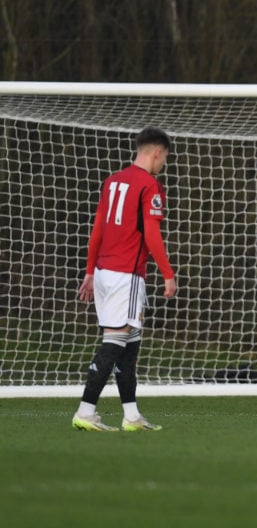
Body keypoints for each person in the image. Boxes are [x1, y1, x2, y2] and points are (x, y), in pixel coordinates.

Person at [72, 127, 178, 432]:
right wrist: (167, 274)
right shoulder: (150, 185)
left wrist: (90, 271)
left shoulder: (113, 181)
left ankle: (131, 415)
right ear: (157, 152)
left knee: (130, 342)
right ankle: (86, 410)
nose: (163, 164)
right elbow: (152, 233)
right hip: (126, 276)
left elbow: (98, 229)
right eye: (165, 158)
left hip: (104, 273)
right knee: (114, 342)